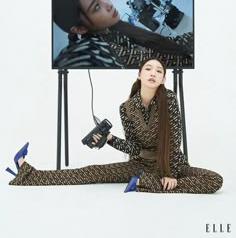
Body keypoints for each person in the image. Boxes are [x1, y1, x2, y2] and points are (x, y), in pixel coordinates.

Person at [6, 58, 223, 194]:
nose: (153, 73)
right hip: (139, 166)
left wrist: (171, 175)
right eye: (148, 68)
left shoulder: (170, 100)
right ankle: (28, 172)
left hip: (172, 164)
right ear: (139, 74)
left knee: (214, 180)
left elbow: (175, 142)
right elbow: (134, 148)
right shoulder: (126, 108)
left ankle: (147, 184)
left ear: (164, 79)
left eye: (158, 71)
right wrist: (109, 140)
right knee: (90, 173)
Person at [52, 0, 194, 69]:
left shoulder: (115, 29)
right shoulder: (95, 49)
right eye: (96, 6)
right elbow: (76, 59)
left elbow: (162, 43)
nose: (108, 4)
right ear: (79, 29)